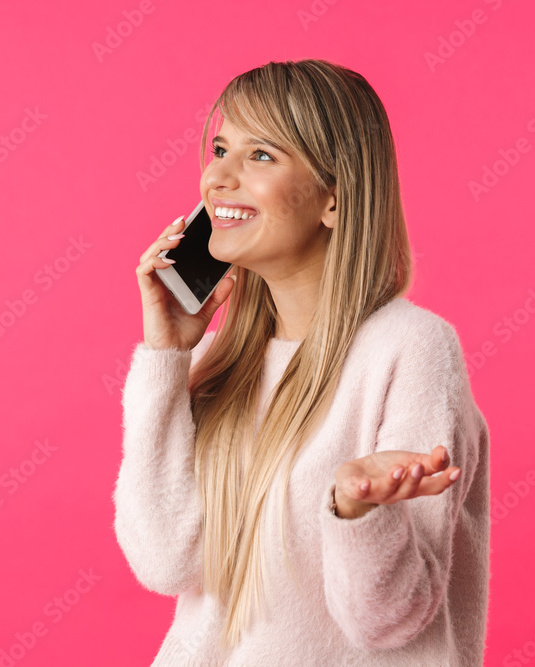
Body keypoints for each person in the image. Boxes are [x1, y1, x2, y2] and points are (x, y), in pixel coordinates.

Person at [113, 59, 491, 666]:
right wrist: (166, 357)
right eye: (219, 148)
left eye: (260, 155)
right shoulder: (215, 358)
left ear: (334, 200)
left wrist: (357, 508)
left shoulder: (410, 350)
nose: (218, 178)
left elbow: (390, 621)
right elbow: (165, 560)